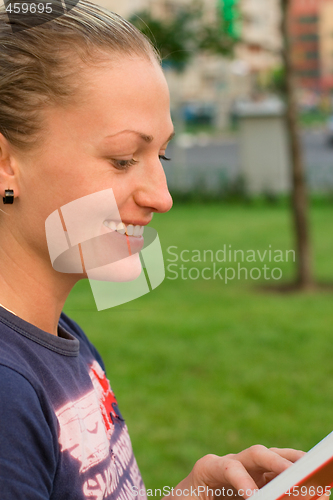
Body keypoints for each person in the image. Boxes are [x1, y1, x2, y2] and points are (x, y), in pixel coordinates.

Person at [0, 1, 305, 499]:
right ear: (6, 164)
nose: (161, 197)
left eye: (159, 154)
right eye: (123, 159)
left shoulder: (57, 339)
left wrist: (190, 494)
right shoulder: (7, 391)